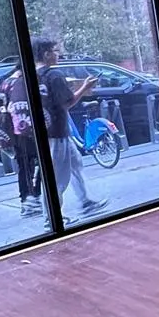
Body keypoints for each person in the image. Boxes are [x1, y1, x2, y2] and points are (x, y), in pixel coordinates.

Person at [32, 39, 108, 219]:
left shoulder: (34, 75)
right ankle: (51, 217)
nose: (58, 54)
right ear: (46, 54)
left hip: (49, 128)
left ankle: (85, 201)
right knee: (58, 177)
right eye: (55, 51)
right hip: (58, 131)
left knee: (75, 165)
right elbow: (67, 102)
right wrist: (85, 87)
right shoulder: (54, 75)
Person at [0, 67, 44, 217]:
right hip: (25, 130)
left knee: (24, 167)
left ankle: (26, 200)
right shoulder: (20, 83)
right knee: (43, 163)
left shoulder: (4, 83)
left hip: (12, 132)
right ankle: (33, 198)